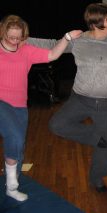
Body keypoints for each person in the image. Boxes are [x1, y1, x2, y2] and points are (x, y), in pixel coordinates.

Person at [27, 3, 107, 193]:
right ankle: (96, 137)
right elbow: (51, 44)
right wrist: (22, 39)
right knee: (57, 125)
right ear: (97, 21)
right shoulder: (78, 40)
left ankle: (97, 179)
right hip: (81, 99)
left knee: (106, 147)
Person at [0, 14, 81, 201]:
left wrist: (67, 37)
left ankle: (11, 183)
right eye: (10, 37)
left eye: (18, 37)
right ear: (3, 33)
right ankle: (12, 186)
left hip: (19, 105)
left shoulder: (26, 50)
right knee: (14, 136)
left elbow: (52, 54)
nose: (14, 41)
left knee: (18, 146)